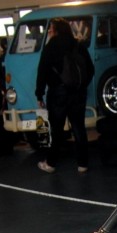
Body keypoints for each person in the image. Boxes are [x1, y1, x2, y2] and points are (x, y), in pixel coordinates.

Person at [34, 18, 94, 174]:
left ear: (56, 30)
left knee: (57, 130)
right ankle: (83, 164)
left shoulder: (51, 47)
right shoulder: (78, 45)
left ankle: (51, 163)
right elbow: (91, 69)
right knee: (79, 128)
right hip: (78, 93)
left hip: (58, 94)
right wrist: (81, 84)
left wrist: (39, 94)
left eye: (51, 29)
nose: (50, 32)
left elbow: (42, 71)